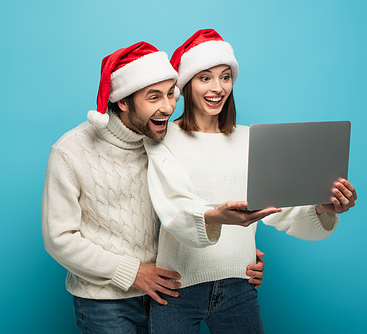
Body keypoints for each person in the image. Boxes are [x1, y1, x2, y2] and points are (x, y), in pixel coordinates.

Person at [41, 41, 267, 334]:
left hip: (167, 291)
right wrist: (132, 272)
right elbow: (59, 238)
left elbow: (192, 206)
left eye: (171, 94)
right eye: (154, 97)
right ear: (123, 100)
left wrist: (237, 252)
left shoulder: (163, 141)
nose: (169, 107)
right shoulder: (70, 151)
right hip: (106, 302)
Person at [143, 29, 358, 334]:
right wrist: (216, 216)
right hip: (177, 289)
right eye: (205, 77)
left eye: (225, 76)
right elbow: (174, 210)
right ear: (186, 84)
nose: (217, 87)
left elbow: (281, 209)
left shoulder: (249, 140)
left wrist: (323, 207)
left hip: (239, 288)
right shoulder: (163, 138)